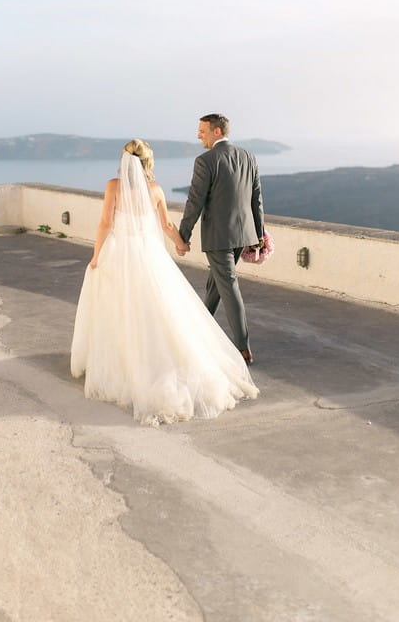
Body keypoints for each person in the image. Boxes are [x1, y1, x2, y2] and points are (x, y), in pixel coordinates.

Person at [70, 138, 258, 426]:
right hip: (149, 254)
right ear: (148, 162)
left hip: (120, 253)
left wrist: (96, 256)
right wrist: (181, 244)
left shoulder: (113, 186)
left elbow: (106, 223)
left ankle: (124, 363)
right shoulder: (155, 190)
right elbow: (167, 225)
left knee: (119, 307)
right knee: (159, 307)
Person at [178, 114, 264, 364]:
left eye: (202, 130)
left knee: (228, 286)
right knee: (215, 285)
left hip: (219, 236)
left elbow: (195, 201)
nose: (198, 135)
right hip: (243, 233)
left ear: (217, 132)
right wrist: (257, 235)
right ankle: (201, 331)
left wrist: (183, 235)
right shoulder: (249, 157)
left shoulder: (206, 160)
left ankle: (243, 347)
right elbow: (256, 199)